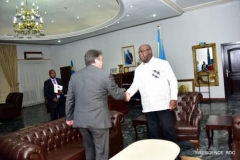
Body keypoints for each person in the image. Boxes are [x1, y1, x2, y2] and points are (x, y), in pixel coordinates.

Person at [65, 49, 128, 160]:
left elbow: (70, 99)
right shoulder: (104, 75)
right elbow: (117, 95)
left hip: (81, 121)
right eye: (101, 59)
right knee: (102, 152)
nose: (102, 62)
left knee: (89, 149)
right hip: (98, 121)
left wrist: (69, 117)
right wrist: (126, 95)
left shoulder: (74, 76)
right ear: (96, 60)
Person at [125, 44, 181, 160]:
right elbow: (135, 85)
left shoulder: (162, 63)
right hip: (148, 107)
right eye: (139, 52)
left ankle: (174, 156)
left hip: (163, 105)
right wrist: (128, 93)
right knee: (152, 133)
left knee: (168, 130)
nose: (140, 54)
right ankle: (157, 156)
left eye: (142, 51)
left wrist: (173, 98)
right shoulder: (139, 69)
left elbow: (173, 81)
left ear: (150, 51)